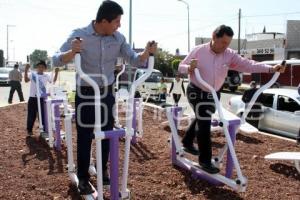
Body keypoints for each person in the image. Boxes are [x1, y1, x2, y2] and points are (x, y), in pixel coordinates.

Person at [52, 0, 157, 195]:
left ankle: (102, 170)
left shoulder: (118, 38)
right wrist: (72, 51)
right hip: (86, 92)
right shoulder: (80, 35)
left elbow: (134, 59)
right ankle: (83, 177)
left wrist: (146, 53)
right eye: (116, 21)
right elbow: (55, 59)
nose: (119, 25)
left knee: (107, 133)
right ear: (103, 21)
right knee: (85, 134)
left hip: (108, 91)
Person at [178, 25, 286, 174]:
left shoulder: (229, 54)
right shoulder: (199, 50)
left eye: (228, 43)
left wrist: (271, 68)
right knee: (204, 121)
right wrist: (188, 68)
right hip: (196, 90)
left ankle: (187, 141)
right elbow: (180, 66)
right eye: (223, 42)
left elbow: (248, 65)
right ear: (214, 36)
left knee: (202, 117)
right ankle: (205, 161)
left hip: (214, 93)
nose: (225, 46)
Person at [24, 61, 59, 136]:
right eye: (39, 67)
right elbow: (26, 80)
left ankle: (43, 130)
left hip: (42, 98)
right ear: (37, 68)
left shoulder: (47, 75)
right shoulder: (33, 74)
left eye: (42, 67)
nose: (40, 68)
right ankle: (29, 130)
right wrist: (26, 70)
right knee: (31, 115)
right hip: (33, 97)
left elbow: (53, 81)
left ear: (45, 68)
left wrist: (56, 73)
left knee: (43, 115)